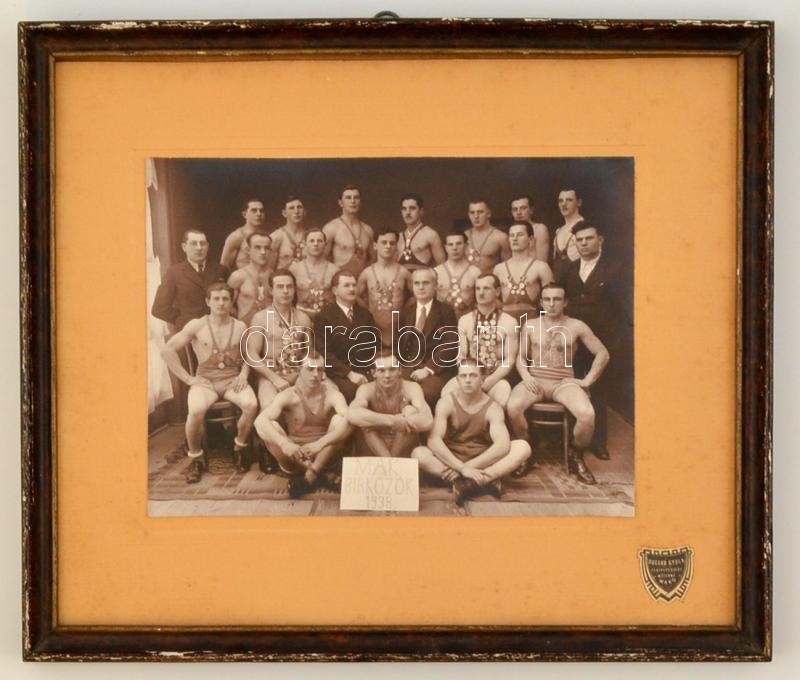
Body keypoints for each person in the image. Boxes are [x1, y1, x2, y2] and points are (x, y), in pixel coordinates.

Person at [507, 282, 609, 485]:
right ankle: (526, 450)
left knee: (587, 414)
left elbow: (603, 354)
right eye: (547, 299)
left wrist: (587, 381)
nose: (552, 304)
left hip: (563, 382)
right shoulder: (531, 325)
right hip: (535, 380)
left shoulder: (576, 326)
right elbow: (521, 357)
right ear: (541, 302)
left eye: (557, 299)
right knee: (513, 407)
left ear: (565, 302)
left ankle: (576, 455)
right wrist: (526, 376)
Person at [160, 283, 258, 483]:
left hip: (232, 379)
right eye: (216, 299)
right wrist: (188, 379)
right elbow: (167, 350)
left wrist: (244, 374)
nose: (221, 303)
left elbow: (248, 355)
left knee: (251, 405)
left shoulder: (240, 326)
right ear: (208, 302)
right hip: (205, 381)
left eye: (225, 299)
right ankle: (196, 458)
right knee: (196, 410)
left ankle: (239, 447)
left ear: (231, 302)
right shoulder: (197, 325)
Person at [412, 359, 532, 505]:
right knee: (418, 454)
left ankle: (468, 482)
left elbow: (502, 445)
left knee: (523, 448)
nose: (467, 380)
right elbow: (434, 440)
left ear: (482, 379)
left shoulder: (493, 407)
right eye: (463, 376)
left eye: (473, 376)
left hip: (482, 460)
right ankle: (484, 481)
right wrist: (461, 467)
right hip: (452, 458)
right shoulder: (446, 402)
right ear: (457, 379)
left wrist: (469, 467)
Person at [562, 221, 627, 461]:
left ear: (600, 240)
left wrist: (614, 339)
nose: (584, 243)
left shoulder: (615, 268)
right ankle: (572, 438)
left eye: (588, 238)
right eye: (579, 240)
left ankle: (598, 442)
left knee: (598, 389)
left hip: (602, 338)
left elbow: (622, 307)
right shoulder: (569, 269)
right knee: (571, 385)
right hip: (573, 340)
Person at [254, 351, 352, 498]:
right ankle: (322, 475)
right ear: (299, 369)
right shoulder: (289, 395)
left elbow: (351, 421)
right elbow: (259, 422)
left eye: (320, 369)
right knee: (270, 426)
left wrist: (320, 443)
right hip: (294, 457)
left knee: (341, 420)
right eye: (310, 369)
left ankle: (312, 475)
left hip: (323, 454)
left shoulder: (331, 394)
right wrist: (285, 444)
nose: (315, 374)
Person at [246, 269, 314, 409]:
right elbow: (252, 355)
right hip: (270, 375)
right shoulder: (260, 318)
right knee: (269, 405)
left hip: (298, 373)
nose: (285, 291)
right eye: (280, 287)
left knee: (326, 396)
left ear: (294, 290)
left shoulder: (303, 318)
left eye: (289, 287)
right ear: (271, 291)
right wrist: (275, 379)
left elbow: (309, 353)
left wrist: (306, 374)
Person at [447, 273, 518, 408]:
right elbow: (462, 355)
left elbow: (510, 359)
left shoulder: (509, 322)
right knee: (447, 392)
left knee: (502, 393)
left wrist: (490, 381)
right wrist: (468, 377)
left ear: (497, 291)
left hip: (496, 377)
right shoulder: (465, 320)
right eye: (478, 288)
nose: (481, 293)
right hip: (470, 375)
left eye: (486, 288)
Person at [347, 351, 434, 458]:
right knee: (364, 418)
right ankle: (389, 461)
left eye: (392, 369)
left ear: (399, 370)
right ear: (373, 373)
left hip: (403, 448)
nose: (387, 375)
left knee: (410, 411)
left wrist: (405, 420)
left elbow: (427, 420)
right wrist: (393, 421)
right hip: (375, 447)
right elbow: (352, 414)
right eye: (381, 370)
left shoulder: (411, 387)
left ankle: (389, 462)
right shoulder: (366, 389)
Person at [396, 268, 460, 408]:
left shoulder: (446, 312)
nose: (421, 287)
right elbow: (399, 343)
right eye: (417, 283)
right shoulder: (406, 312)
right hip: (409, 366)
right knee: (394, 391)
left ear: (435, 286)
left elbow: (450, 346)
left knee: (427, 394)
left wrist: (427, 369)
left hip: (435, 370)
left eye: (426, 283)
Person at [313, 269, 380, 402]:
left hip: (365, 370)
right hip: (339, 373)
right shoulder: (324, 316)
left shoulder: (365, 314)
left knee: (385, 386)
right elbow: (324, 353)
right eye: (346, 285)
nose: (352, 289)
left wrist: (375, 367)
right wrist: (349, 373)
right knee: (353, 391)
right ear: (335, 290)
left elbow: (375, 345)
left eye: (354, 285)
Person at [151, 229, 230, 332]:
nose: (199, 248)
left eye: (202, 243)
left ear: (207, 246)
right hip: (188, 332)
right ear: (184, 247)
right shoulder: (174, 273)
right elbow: (159, 308)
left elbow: (231, 299)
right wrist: (182, 319)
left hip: (218, 329)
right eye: (193, 243)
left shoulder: (221, 270)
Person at [357, 228, 410, 347]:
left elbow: (417, 295)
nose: (388, 246)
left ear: (396, 246)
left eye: (392, 243)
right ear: (375, 245)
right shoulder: (367, 273)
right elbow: (354, 296)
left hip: (397, 329)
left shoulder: (404, 272)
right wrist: (367, 310)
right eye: (384, 242)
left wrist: (405, 309)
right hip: (373, 329)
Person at [492, 222, 554, 324]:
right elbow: (492, 301)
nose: (515, 239)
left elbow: (552, 300)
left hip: (532, 322)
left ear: (530, 239)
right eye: (512, 235)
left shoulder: (541, 267)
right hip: (505, 324)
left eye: (520, 235)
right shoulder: (499, 269)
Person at [322, 184, 374, 277]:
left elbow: (373, 261)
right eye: (348, 198)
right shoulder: (331, 228)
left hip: (361, 281)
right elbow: (321, 260)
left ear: (360, 202)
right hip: (340, 281)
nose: (353, 201)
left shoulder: (368, 230)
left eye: (356, 197)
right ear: (340, 203)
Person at [290, 228, 339, 320]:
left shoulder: (334, 270)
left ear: (325, 244)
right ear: (305, 244)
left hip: (328, 318)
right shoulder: (294, 269)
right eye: (312, 241)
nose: (316, 244)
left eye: (319, 241)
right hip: (300, 318)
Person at [226, 229, 273, 326]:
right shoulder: (238, 276)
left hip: (270, 328)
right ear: (248, 250)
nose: (263, 252)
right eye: (257, 247)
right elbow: (227, 306)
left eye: (267, 248)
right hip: (246, 328)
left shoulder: (275, 276)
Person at [433, 231, 482, 319]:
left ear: (466, 245)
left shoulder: (475, 272)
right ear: (445, 247)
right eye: (450, 244)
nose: (454, 248)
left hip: (467, 318)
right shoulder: (436, 272)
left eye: (459, 243)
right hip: (442, 320)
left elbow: (482, 301)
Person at [396, 193, 445, 274]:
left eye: (412, 208)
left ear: (421, 211)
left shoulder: (431, 235)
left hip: (422, 280)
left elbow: (442, 267)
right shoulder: (398, 237)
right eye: (404, 209)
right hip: (401, 280)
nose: (407, 212)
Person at [463, 199, 510, 275]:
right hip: (467, 281)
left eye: (480, 212)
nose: (476, 216)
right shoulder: (463, 237)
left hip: (490, 280)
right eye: (472, 213)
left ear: (488, 214)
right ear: (468, 215)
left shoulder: (500, 237)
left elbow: (507, 268)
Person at [220, 198, 266, 269]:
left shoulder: (265, 236)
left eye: (261, 211)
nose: (259, 214)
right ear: (244, 214)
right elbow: (224, 267)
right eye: (254, 211)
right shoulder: (237, 236)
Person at [269, 195, 308, 269]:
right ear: (284, 213)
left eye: (299, 207)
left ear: (304, 212)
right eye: (291, 208)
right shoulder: (276, 237)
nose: (296, 211)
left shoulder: (310, 237)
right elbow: (269, 269)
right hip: (283, 276)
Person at [552, 188, 583, 279]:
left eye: (569, 200)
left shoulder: (586, 227)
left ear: (578, 202)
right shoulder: (558, 231)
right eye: (561, 201)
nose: (564, 204)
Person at [510, 194, 550, 262]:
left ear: (531, 210)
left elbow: (542, 262)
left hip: (534, 268)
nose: (518, 212)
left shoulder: (540, 229)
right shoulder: (512, 231)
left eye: (523, 208)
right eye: (515, 209)